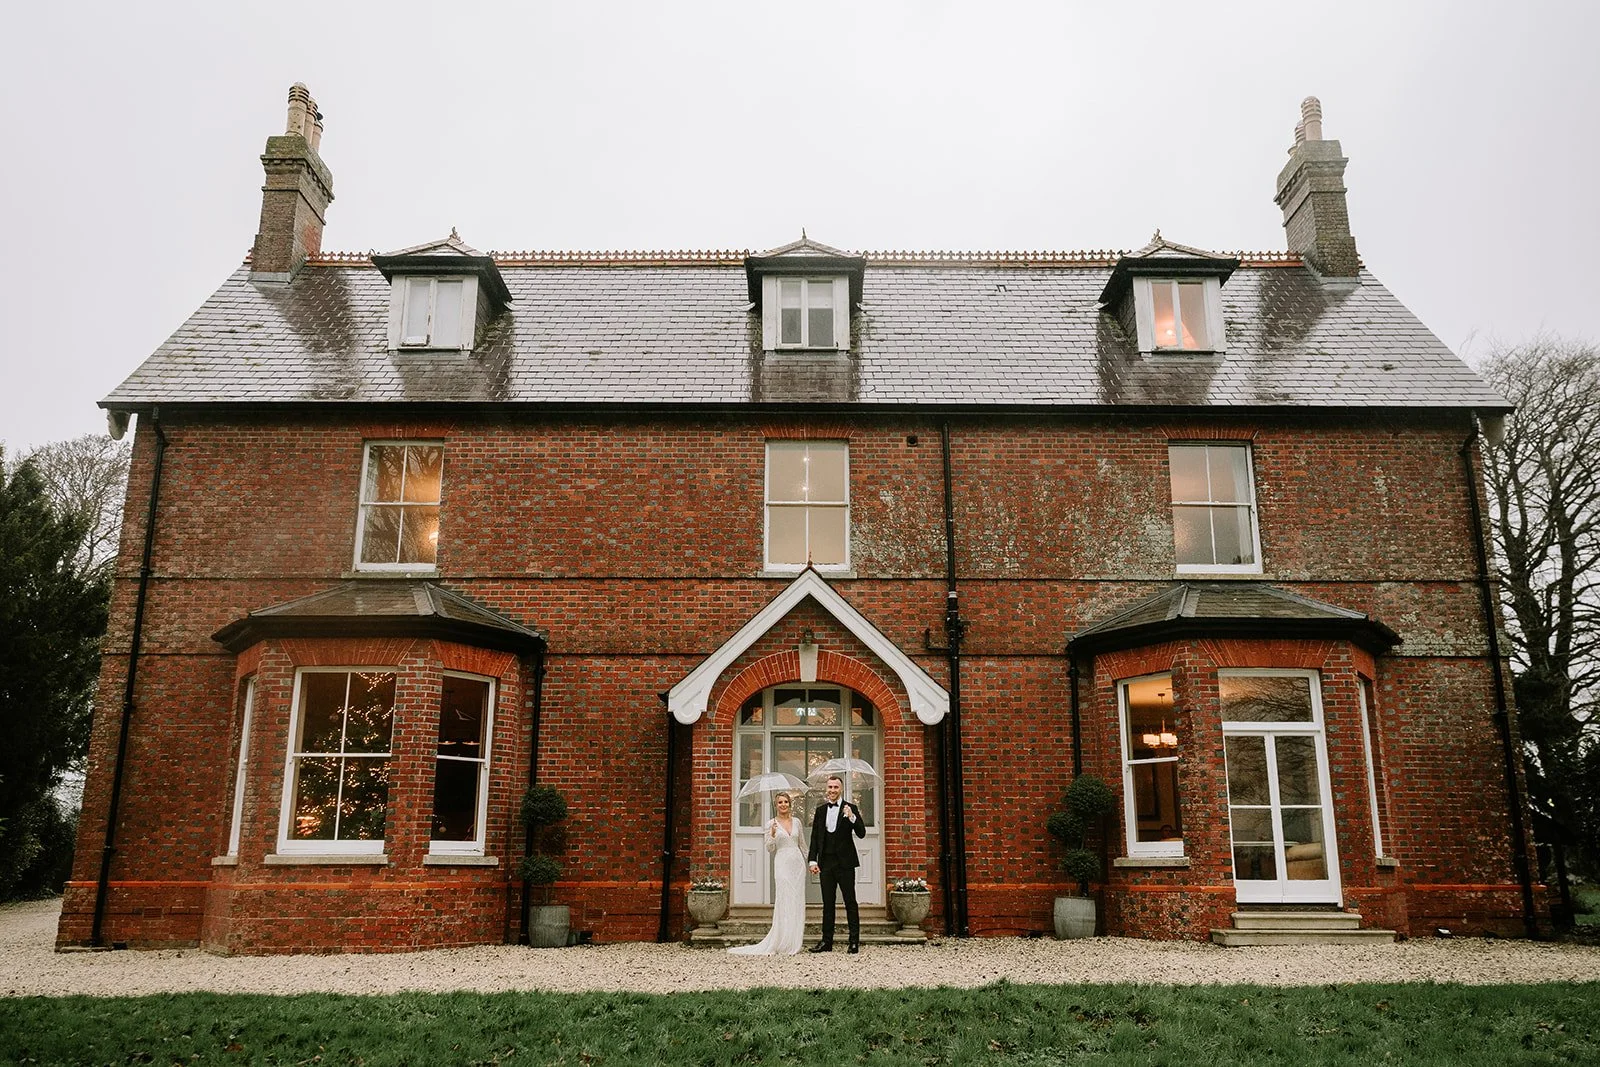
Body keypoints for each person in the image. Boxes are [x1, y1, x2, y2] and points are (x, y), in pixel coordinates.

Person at [728, 791, 807, 955]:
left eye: (786, 802)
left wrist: (812, 862)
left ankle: (794, 941)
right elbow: (770, 848)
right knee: (784, 899)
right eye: (780, 802)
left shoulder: (797, 822)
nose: (783, 805)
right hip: (782, 863)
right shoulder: (771, 823)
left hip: (797, 864)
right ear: (776, 805)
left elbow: (802, 845)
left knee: (797, 900)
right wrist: (771, 834)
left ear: (790, 804)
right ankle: (781, 940)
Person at [807, 774, 866, 953]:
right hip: (826, 863)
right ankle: (826, 942)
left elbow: (862, 833)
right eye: (830, 787)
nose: (832, 790)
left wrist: (852, 818)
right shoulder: (821, 810)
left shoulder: (851, 808)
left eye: (836, 787)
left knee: (850, 902)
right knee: (828, 903)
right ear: (827, 789)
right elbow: (815, 837)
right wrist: (812, 860)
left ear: (841, 789)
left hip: (846, 863)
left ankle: (854, 941)